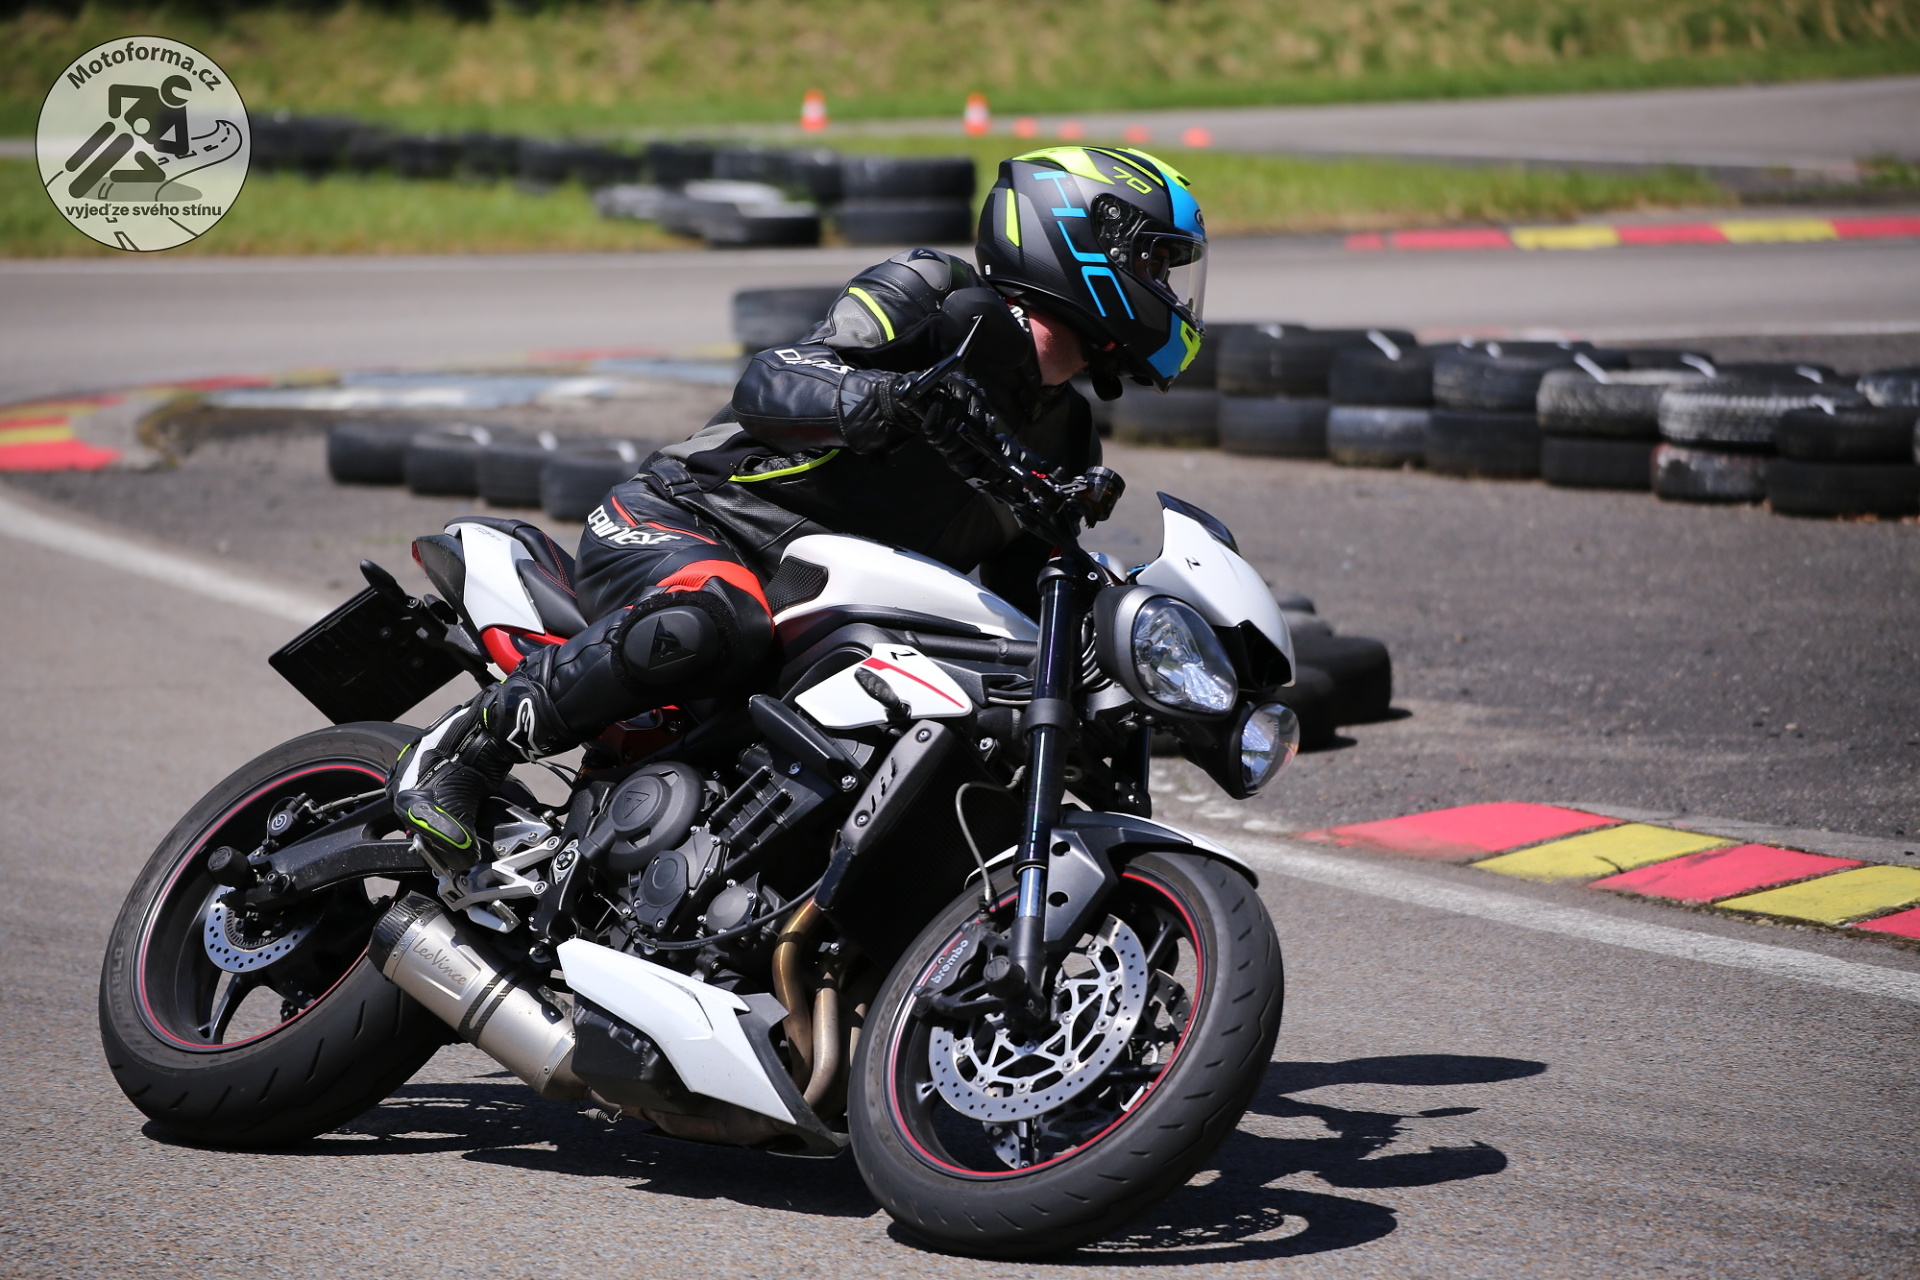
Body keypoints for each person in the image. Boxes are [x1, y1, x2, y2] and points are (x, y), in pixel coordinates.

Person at [390, 145, 1210, 863]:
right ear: (1076, 239)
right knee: (717, 617)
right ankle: (463, 752)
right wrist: (882, 399)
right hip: (687, 524)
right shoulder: (931, 294)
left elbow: (1024, 590)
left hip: (820, 608)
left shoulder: (1066, 434)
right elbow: (774, 378)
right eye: (1154, 263)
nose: (1168, 290)